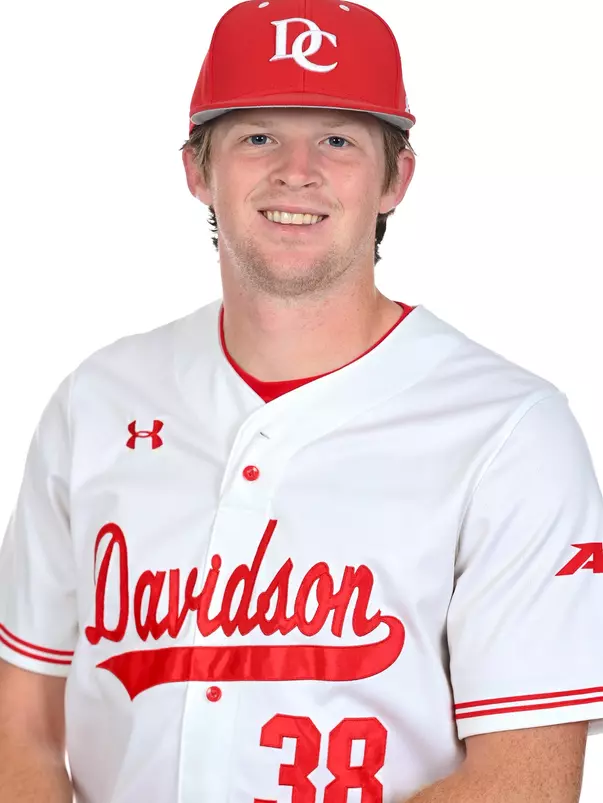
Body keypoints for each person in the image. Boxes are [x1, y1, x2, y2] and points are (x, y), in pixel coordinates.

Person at [1, 0, 602, 801]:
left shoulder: (509, 430)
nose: (296, 170)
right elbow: (23, 728)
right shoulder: (98, 401)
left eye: (337, 140)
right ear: (195, 168)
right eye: (257, 136)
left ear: (396, 179)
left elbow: (523, 783)